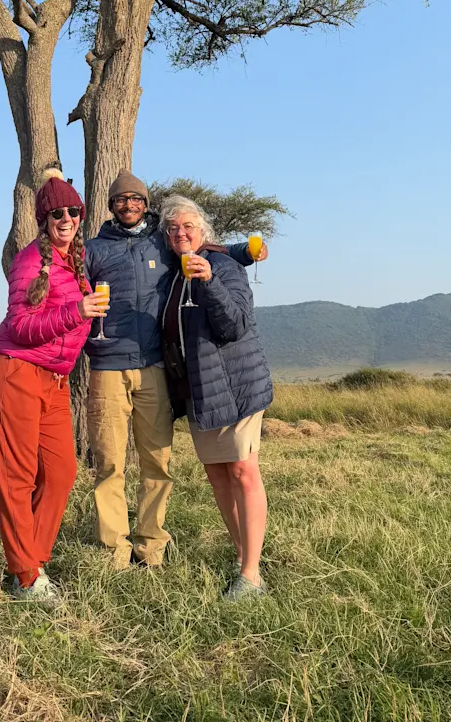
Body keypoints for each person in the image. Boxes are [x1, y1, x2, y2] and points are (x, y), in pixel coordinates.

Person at [85, 171, 259, 569]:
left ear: (145, 205)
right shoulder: (93, 250)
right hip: (107, 367)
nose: (128, 205)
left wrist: (246, 253)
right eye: (120, 200)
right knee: (109, 463)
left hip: (155, 368)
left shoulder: (161, 245)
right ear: (110, 205)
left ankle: (151, 548)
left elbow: (208, 250)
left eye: (136, 199)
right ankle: (115, 552)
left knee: (157, 462)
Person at [0, 170, 108, 602]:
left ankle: (31, 559)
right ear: (43, 218)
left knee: (61, 472)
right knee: (17, 476)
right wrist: (77, 311)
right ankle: (27, 576)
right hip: (14, 371)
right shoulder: (31, 261)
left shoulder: (74, 259)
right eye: (56, 213)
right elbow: (20, 326)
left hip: (54, 379)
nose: (66, 218)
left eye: (72, 211)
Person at [159, 194, 273, 601]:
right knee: (217, 476)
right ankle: (245, 555)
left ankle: (251, 575)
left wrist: (208, 282)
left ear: (204, 229)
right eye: (172, 229)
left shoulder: (225, 267)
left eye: (187, 226)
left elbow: (234, 325)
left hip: (237, 385)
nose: (180, 234)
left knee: (243, 471)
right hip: (199, 391)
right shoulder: (172, 275)